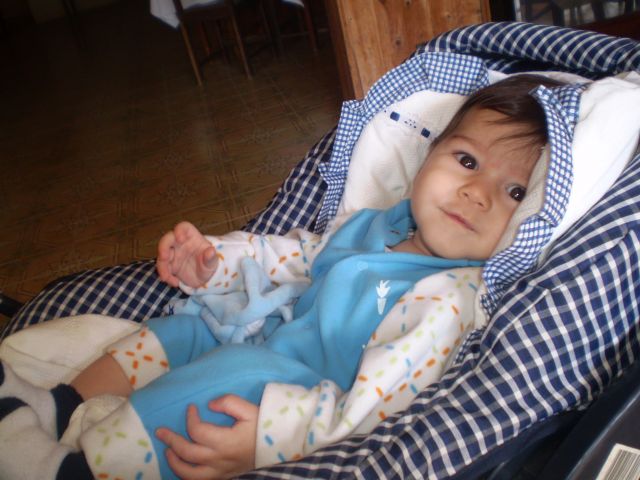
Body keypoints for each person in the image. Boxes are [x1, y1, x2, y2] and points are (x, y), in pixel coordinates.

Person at [0, 74, 564, 480]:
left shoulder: (448, 297)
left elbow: (376, 408)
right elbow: (294, 257)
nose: (477, 193)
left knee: (229, 378)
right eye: (467, 161)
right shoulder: (376, 224)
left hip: (300, 391)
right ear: (428, 157)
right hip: (269, 334)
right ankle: (61, 403)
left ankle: (69, 470)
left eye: (515, 192)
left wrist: (271, 439)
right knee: (185, 328)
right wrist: (215, 261)